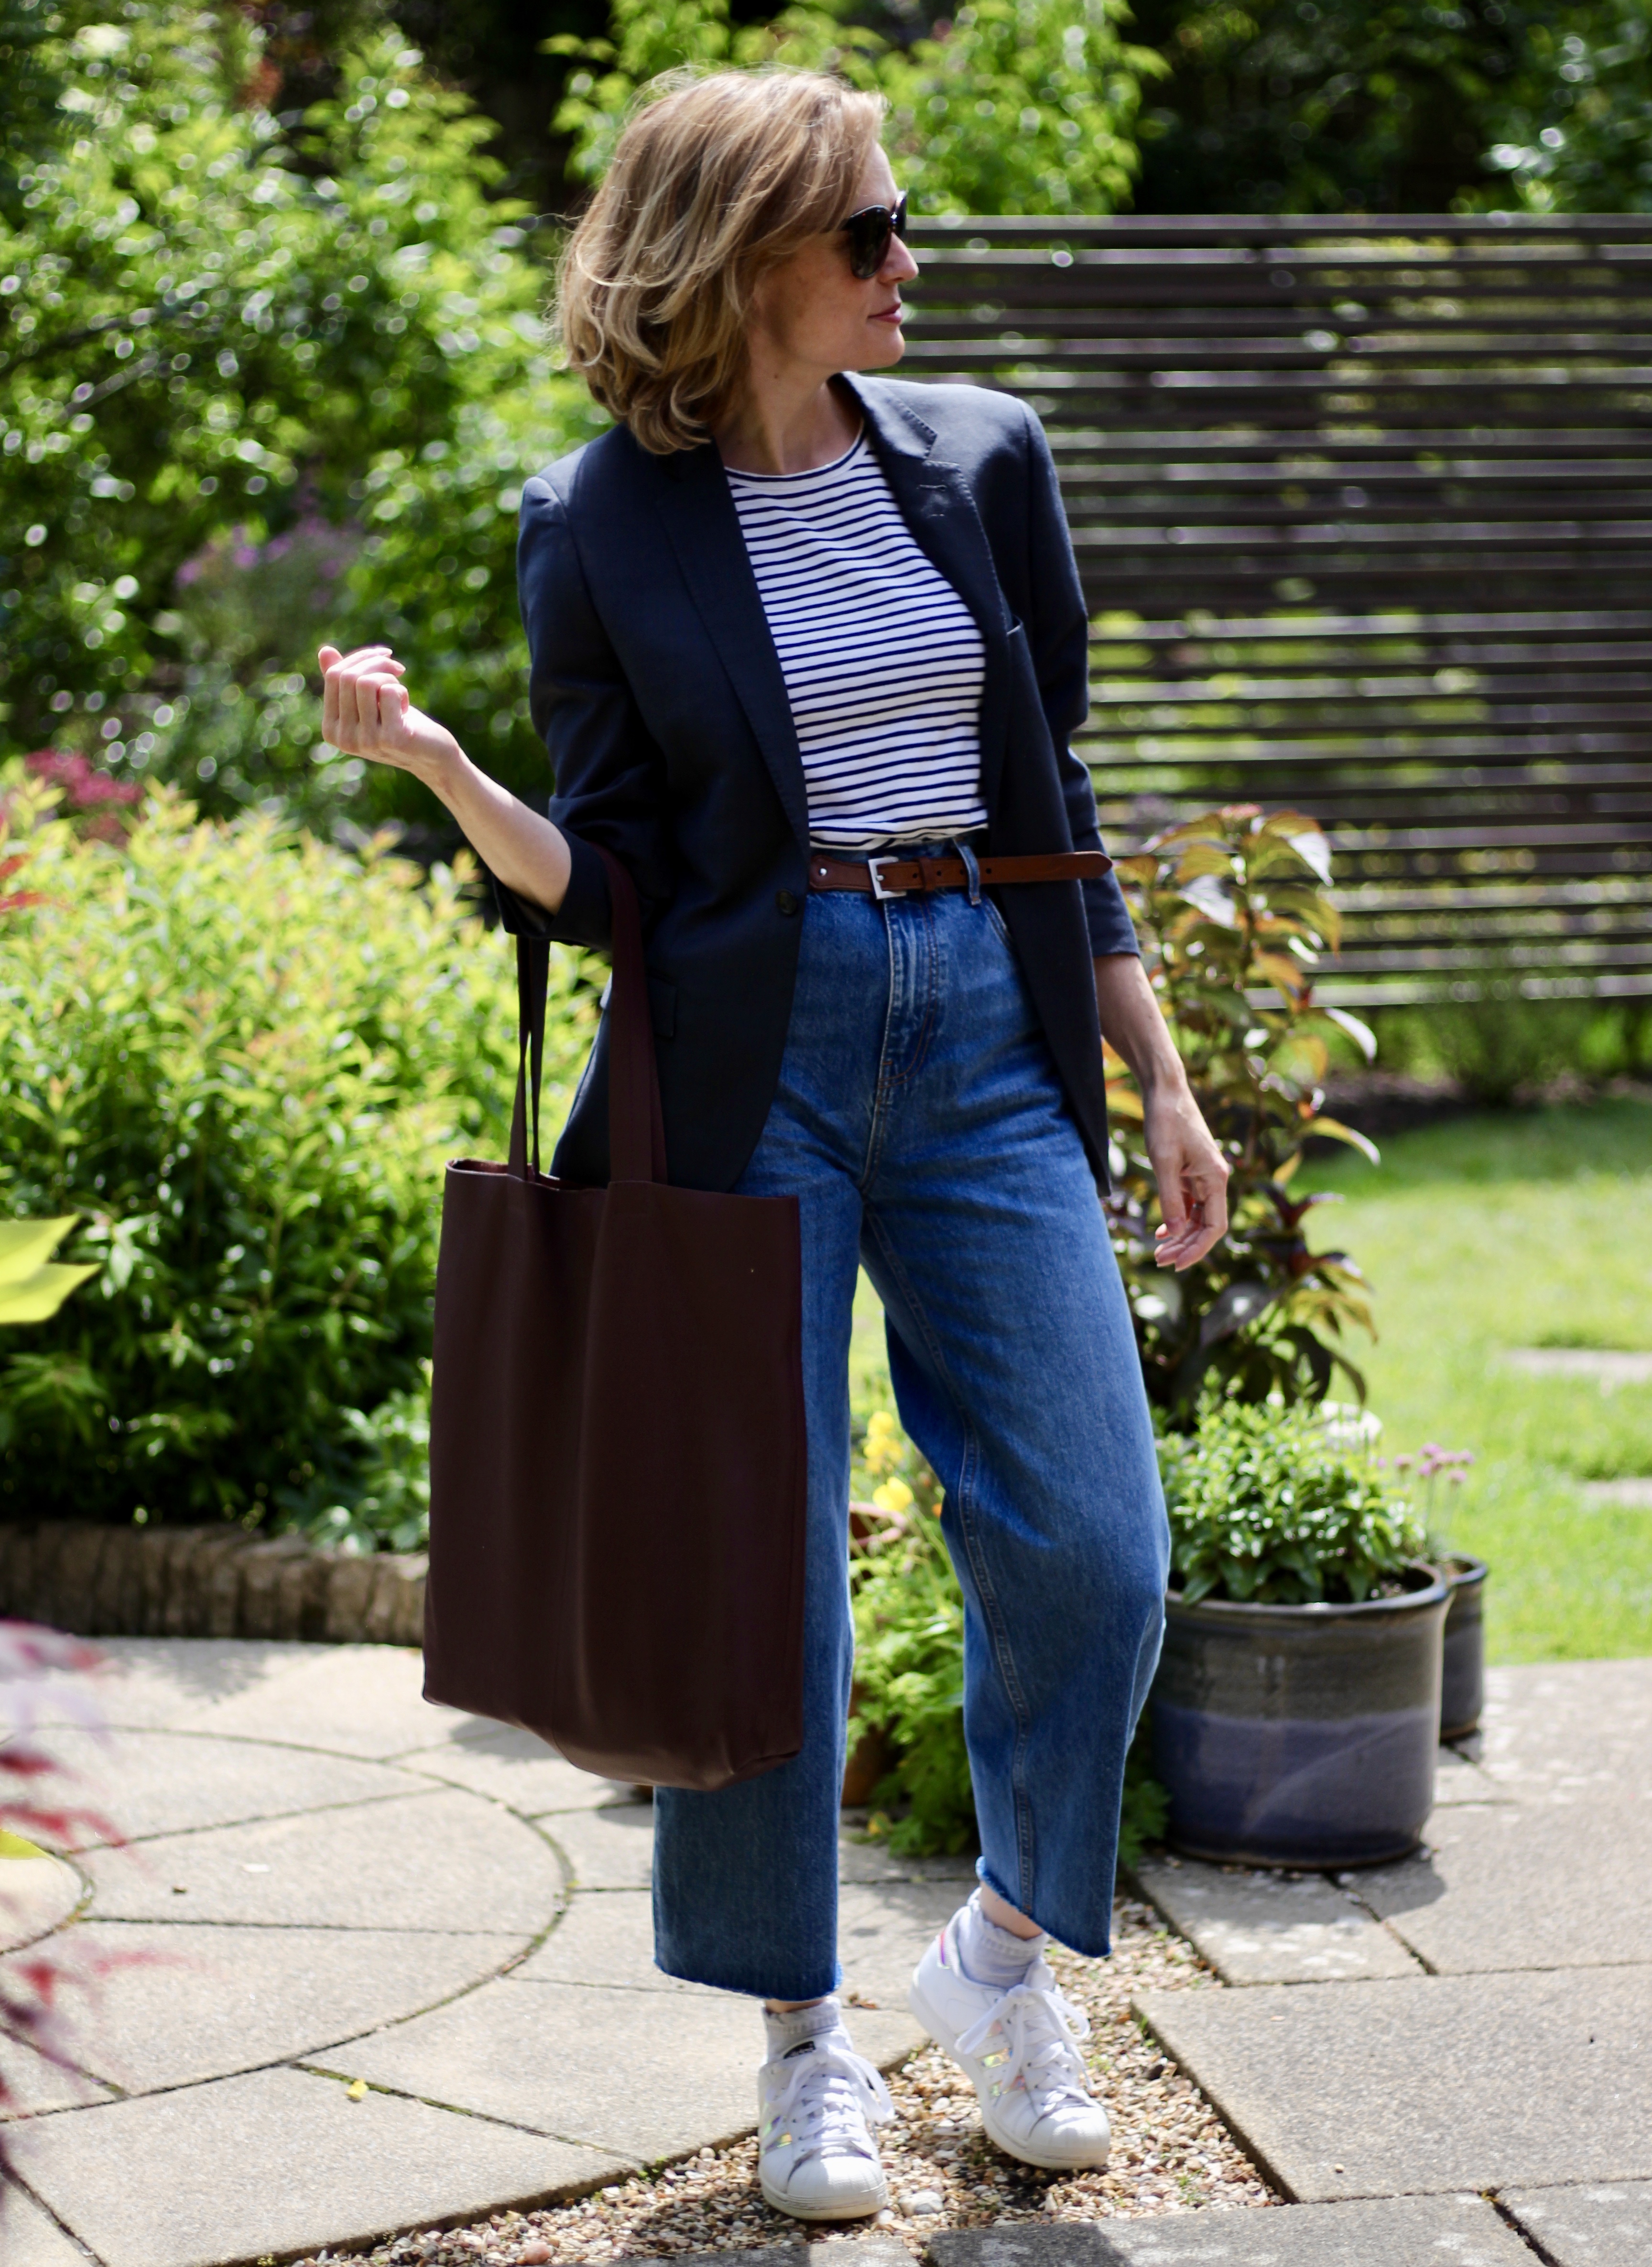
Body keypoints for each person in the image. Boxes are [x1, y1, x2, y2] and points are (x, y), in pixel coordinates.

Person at [318, 65, 1228, 2227]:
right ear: (740, 265)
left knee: (1098, 1546)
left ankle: (1000, 1962)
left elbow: (1051, 807)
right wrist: (445, 763)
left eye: (903, 229)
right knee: (764, 1588)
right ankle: (802, 2042)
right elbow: (611, 878)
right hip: (755, 1053)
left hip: (991, 1038)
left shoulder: (987, 462)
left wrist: (1164, 1071)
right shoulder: (598, 529)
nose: (911, 266)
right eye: (869, 237)